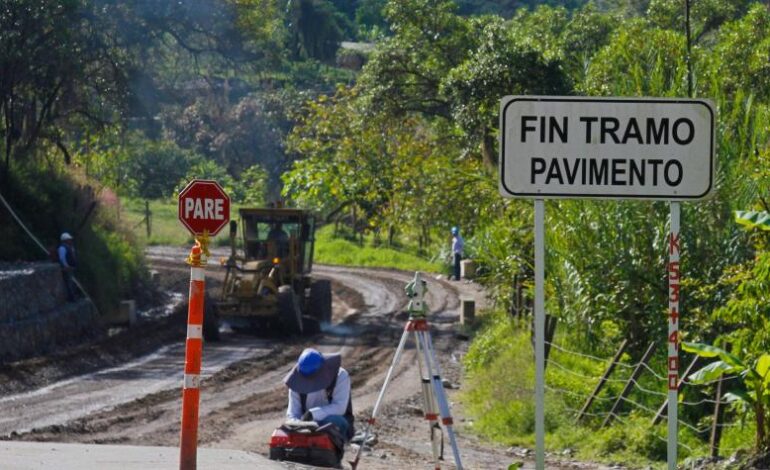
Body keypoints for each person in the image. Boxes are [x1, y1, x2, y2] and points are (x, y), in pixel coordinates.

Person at [284, 348, 355, 440]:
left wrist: (313, 414)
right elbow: (293, 412)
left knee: (334, 421)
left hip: (335, 424)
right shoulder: (296, 382)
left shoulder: (340, 376)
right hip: (306, 426)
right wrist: (296, 423)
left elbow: (340, 408)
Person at [58, 232, 78, 301]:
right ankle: (71, 298)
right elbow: (62, 258)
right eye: (69, 239)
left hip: (71, 267)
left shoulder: (70, 247)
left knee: (72, 282)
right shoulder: (62, 248)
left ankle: (74, 296)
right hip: (67, 268)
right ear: (65, 240)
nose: (70, 240)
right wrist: (66, 266)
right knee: (69, 283)